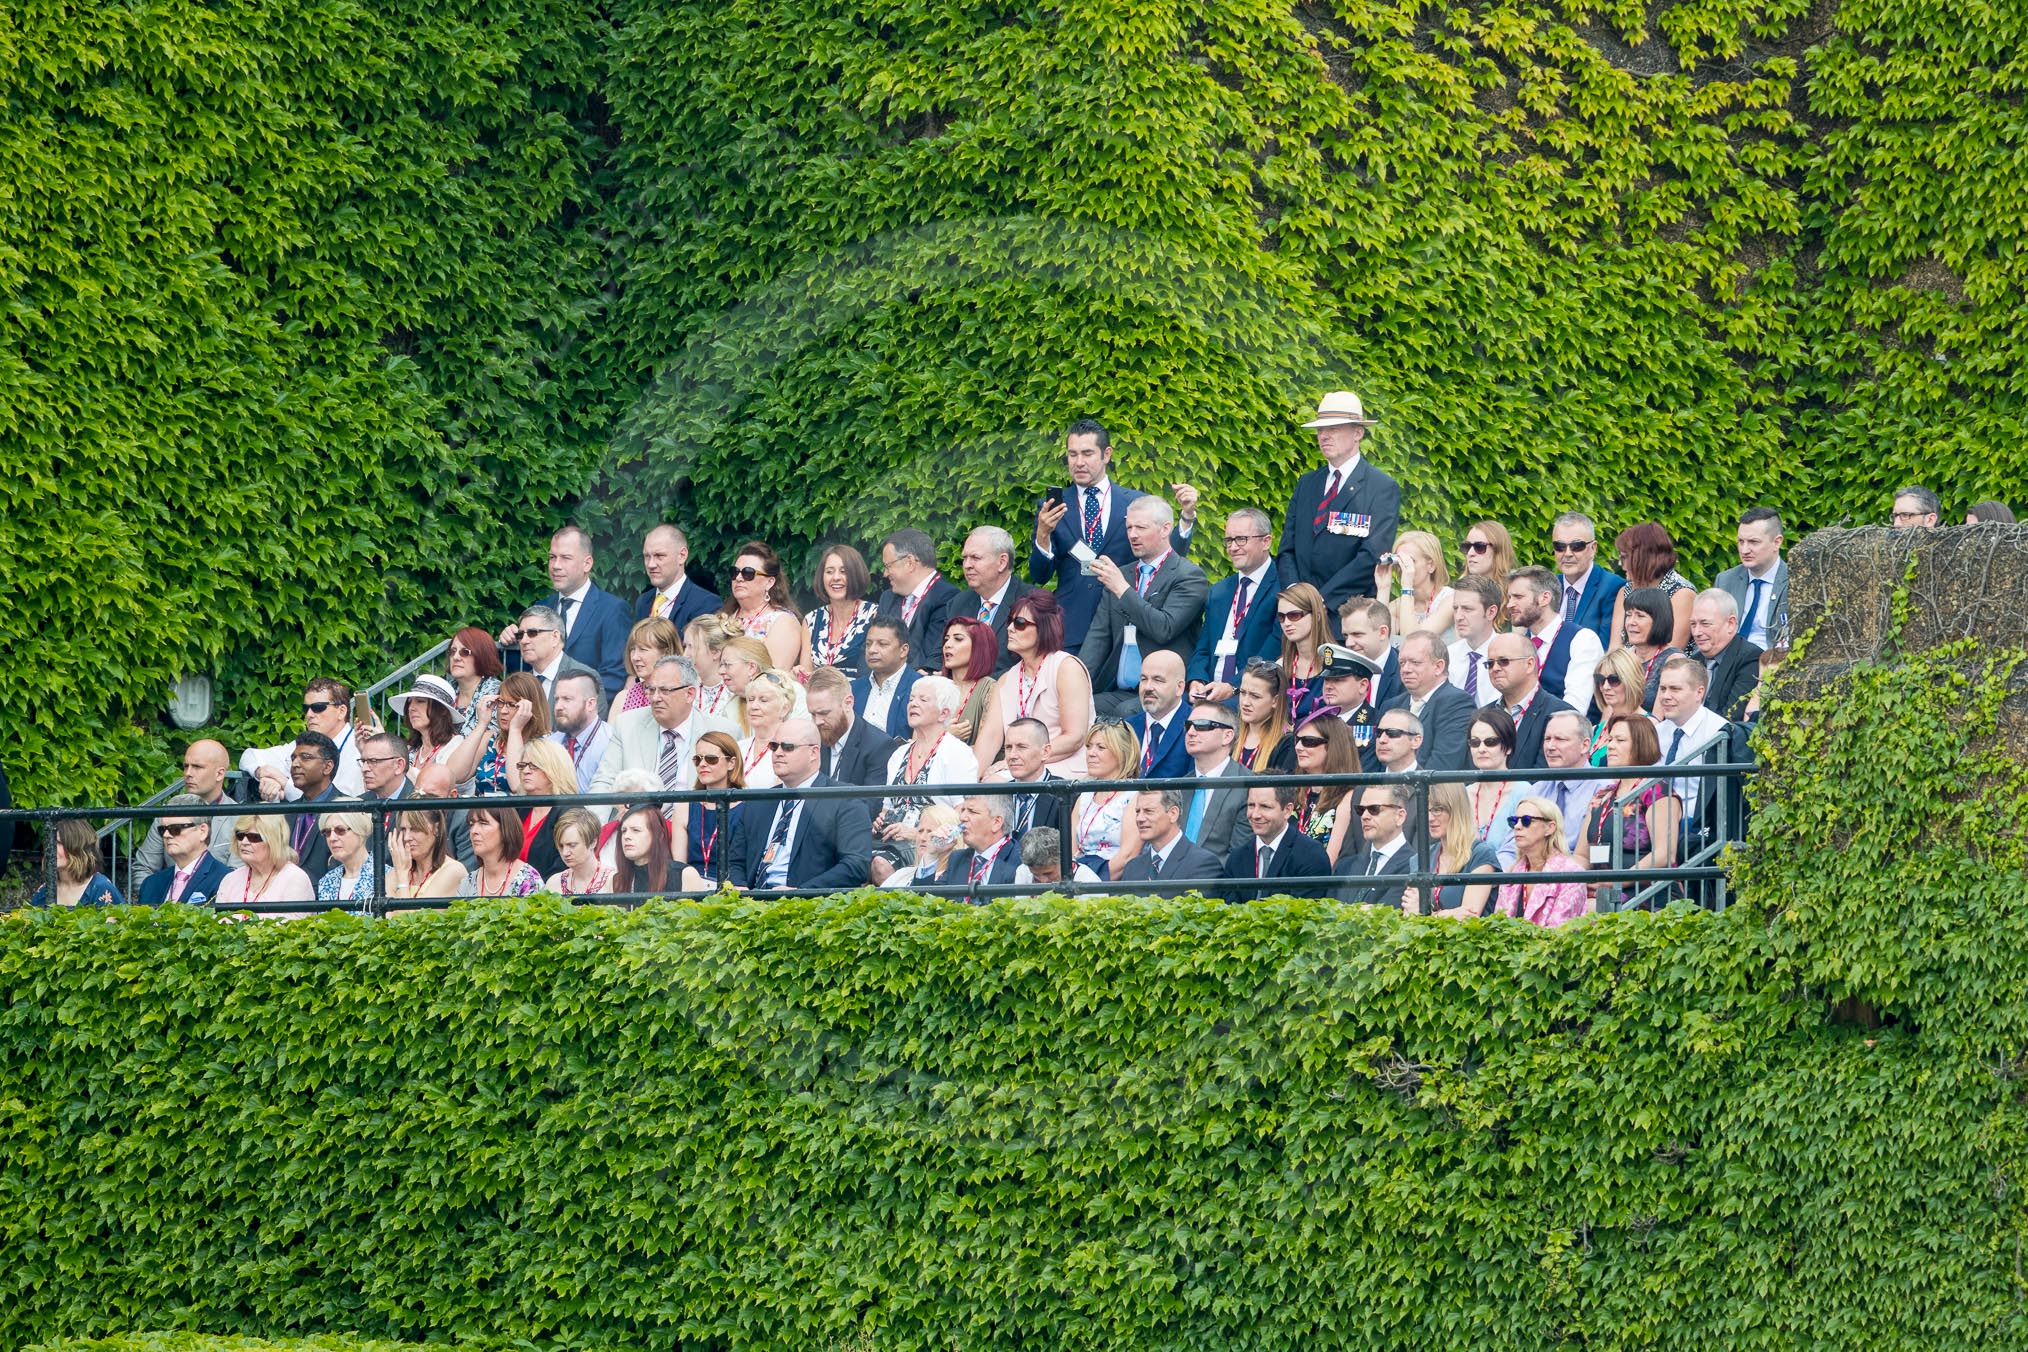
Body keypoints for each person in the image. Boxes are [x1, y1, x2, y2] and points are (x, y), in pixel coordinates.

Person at [1027, 416, 1193, 649]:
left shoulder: (1136, 502)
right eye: (1072, 454)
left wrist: (1187, 517)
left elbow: (1168, 557)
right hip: (1070, 626)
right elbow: (1039, 575)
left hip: (1124, 626)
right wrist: (1043, 535)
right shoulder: (1053, 506)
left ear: (1106, 454)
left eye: (1087, 453)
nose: (1079, 462)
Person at [1277, 391, 1401, 636]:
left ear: (1358, 432)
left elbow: (1370, 556)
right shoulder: (1307, 483)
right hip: (1298, 617)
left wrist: (1321, 600)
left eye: (1334, 428)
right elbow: (1287, 548)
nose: (1324, 435)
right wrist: (1297, 596)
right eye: (1321, 429)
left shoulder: (1381, 487)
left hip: (1347, 618)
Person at [1079, 495, 1208, 716]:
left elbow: (1164, 628)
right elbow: (1098, 637)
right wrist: (1075, 682)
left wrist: (1122, 588)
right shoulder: (1123, 574)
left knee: (1124, 714)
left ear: (1166, 529)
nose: (1133, 534)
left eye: (1140, 527)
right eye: (1129, 527)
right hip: (1119, 689)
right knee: (1079, 709)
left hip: (1163, 690)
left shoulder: (1189, 576)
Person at [727, 717, 875, 892]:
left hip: (808, 907)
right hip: (752, 903)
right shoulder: (758, 801)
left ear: (813, 753)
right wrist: (740, 889)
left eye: (788, 747)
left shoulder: (844, 799)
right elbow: (735, 861)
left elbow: (855, 865)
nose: (778, 753)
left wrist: (801, 892)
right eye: (774, 746)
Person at [969, 591, 1093, 778]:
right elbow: (990, 737)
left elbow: (1074, 737)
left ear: (1044, 628)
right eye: (1010, 621)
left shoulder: (1066, 667)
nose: (1010, 628)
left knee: (997, 783)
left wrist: (1017, 761)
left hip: (1063, 767)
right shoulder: (1006, 679)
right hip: (1018, 768)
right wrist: (969, 782)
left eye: (1020, 623)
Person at [500, 526, 632, 700]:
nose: (556, 566)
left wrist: (576, 708)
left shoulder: (612, 609)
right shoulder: (542, 607)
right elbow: (524, 670)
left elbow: (614, 676)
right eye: (552, 558)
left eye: (566, 558)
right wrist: (513, 641)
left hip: (585, 717)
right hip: (538, 715)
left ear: (587, 563)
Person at [869, 677, 980, 883]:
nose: (913, 704)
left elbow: (963, 817)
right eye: (911, 699)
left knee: (879, 864)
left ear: (944, 713)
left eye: (923, 699)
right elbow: (887, 807)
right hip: (889, 840)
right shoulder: (898, 753)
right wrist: (881, 821)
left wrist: (916, 833)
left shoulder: (956, 753)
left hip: (931, 844)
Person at [590, 655, 735, 813]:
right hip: (638, 828)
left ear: (690, 694)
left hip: (696, 830)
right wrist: (592, 832)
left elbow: (734, 795)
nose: (655, 698)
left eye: (665, 690)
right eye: (651, 689)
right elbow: (604, 783)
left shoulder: (722, 731)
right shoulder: (627, 725)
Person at [1584, 714, 1681, 911]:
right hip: (1602, 890)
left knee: (1585, 910)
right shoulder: (1602, 795)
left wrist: (1613, 882)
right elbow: (1581, 855)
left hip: (1646, 892)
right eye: (1610, 739)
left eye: (1620, 740)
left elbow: (1664, 855)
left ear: (1641, 745)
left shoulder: (1658, 791)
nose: (1610, 746)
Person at [1186, 508, 1280, 705]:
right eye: (1229, 540)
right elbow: (1203, 647)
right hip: (1210, 690)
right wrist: (1196, 680)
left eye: (1241, 539)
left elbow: (1274, 649)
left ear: (1266, 541)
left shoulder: (1282, 587)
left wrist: (1233, 686)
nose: (1233, 547)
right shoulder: (1219, 591)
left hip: (1250, 694)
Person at [1505, 566, 1604, 716]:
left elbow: (1574, 709)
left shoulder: (1582, 640)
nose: (1509, 604)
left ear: (1544, 598)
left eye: (1518, 597)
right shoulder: (1520, 644)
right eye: (1510, 598)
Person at [246, 679, 364, 801]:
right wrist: (263, 774)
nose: (309, 714)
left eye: (318, 707)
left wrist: (284, 783)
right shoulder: (304, 745)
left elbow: (338, 799)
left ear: (341, 711)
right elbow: (249, 756)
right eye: (305, 708)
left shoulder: (360, 749)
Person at [133, 739, 237, 874]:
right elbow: (143, 867)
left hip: (218, 894)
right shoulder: (168, 814)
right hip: (169, 893)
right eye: (186, 766)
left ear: (220, 774)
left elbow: (238, 876)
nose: (188, 773)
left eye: (197, 767)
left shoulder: (240, 818)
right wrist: (153, 894)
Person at [1221, 783, 1333, 903]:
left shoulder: (1311, 855)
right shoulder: (1237, 858)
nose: (1255, 815)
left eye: (1265, 806)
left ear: (1287, 810)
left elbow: (1304, 915)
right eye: (1251, 805)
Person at [442, 671, 548, 797]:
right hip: (482, 814)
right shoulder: (491, 738)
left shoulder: (543, 744)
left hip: (516, 815)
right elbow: (453, 774)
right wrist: (481, 724)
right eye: (501, 703)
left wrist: (515, 730)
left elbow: (517, 786)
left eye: (512, 705)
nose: (503, 711)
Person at [1652, 655, 1733, 818]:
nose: (1666, 696)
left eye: (1675, 689)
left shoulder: (1719, 733)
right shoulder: (1656, 732)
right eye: (1662, 689)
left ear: (1699, 692)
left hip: (1697, 824)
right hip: (1655, 819)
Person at [1405, 782, 1499, 917]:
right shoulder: (1420, 859)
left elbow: (1469, 918)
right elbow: (1409, 915)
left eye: (1437, 809)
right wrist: (1449, 915)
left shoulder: (1481, 854)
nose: (1430, 818)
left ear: (1456, 810)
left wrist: (1427, 915)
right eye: (1426, 809)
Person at [950, 527, 1035, 675]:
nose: (967, 565)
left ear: (1002, 562)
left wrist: (980, 687)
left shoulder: (1030, 602)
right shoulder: (959, 602)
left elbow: (1033, 663)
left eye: (975, 558)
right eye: (965, 558)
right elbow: (940, 653)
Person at [1383, 631, 1474, 771]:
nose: (1405, 669)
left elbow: (1444, 765)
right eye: (1402, 663)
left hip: (1429, 790)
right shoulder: (1391, 706)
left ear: (1438, 667)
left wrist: (1399, 791)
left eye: (1415, 662)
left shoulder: (1457, 703)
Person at [1485, 631, 1574, 771]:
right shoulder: (1482, 715)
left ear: (1530, 664)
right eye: (1490, 663)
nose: (1495, 668)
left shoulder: (1561, 715)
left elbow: (1545, 780)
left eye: (1504, 661)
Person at [1494, 799, 1589, 927]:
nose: (1517, 826)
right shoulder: (1511, 875)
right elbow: (1498, 927)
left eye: (1527, 820)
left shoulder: (1571, 875)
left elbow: (1558, 934)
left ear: (1550, 828)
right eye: (1514, 821)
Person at [877, 528, 962, 670]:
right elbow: (869, 648)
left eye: (888, 566)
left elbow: (929, 657)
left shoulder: (947, 598)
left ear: (909, 562)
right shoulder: (887, 598)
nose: (885, 574)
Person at [806, 666, 903, 786]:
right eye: (813, 714)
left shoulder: (879, 747)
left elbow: (870, 802)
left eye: (824, 713)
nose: (817, 721)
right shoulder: (811, 741)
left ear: (848, 703)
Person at [1071, 720, 1144, 878]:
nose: (1091, 753)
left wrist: (1092, 884)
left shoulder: (1134, 796)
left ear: (1121, 753)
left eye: (1101, 747)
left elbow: (1128, 856)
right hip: (1079, 879)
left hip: (1113, 883)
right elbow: (1070, 852)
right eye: (1089, 746)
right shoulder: (1084, 796)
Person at [1117, 790, 1225, 896]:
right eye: (1137, 812)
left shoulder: (1203, 864)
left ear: (1173, 814)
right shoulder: (1133, 868)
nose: (1139, 818)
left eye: (1148, 811)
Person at [1609, 523, 1695, 649]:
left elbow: (1671, 651)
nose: (1620, 563)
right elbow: (1614, 647)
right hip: (1623, 666)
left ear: (1642, 557)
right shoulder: (1625, 591)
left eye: (1624, 557)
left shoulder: (1682, 593)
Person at [1288, 712, 1359, 865]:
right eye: (1297, 740)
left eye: (1309, 741)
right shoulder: (1295, 792)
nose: (1298, 747)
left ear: (1333, 746)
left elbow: (1329, 863)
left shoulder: (1348, 798)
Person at [721, 540, 803, 670]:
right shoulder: (724, 616)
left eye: (748, 573)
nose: (738, 578)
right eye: (735, 572)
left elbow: (773, 678)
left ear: (770, 582)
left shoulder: (783, 622)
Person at [1464, 707, 1531, 867]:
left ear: (1508, 747)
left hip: (1507, 879)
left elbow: (1519, 852)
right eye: (1475, 742)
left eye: (1491, 742)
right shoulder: (1464, 793)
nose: (1481, 749)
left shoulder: (1524, 792)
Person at [137, 795, 234, 906]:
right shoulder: (151, 884)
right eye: (162, 830)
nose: (166, 835)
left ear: (202, 831)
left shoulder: (225, 880)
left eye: (175, 829)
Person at [679, 730, 746, 889]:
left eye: (711, 759)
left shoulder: (748, 808)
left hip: (733, 890)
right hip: (691, 890)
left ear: (731, 763)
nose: (702, 764)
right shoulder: (684, 807)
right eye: (697, 759)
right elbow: (679, 866)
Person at [1714, 507, 1788, 651]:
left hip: (1772, 664)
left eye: (1754, 542)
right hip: (1728, 663)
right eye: (1741, 541)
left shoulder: (1795, 582)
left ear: (1777, 542)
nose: (1744, 550)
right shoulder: (1725, 580)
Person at [1179, 701, 1246, 857]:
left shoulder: (1248, 785)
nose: (1191, 732)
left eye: (1202, 725)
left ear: (1227, 736)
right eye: (1188, 725)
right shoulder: (1179, 787)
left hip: (1218, 878)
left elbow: (1240, 856)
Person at [804, 544, 880, 679]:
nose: (836, 577)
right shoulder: (811, 620)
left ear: (856, 575)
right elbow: (805, 673)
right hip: (818, 695)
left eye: (843, 571)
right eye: (829, 571)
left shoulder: (875, 615)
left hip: (859, 695)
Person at [1548, 512, 1625, 646]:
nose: (1567, 554)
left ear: (1593, 548)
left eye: (1577, 546)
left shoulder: (1613, 587)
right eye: (1560, 547)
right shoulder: (1548, 586)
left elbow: (1605, 650)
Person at [1333, 783, 1415, 908]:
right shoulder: (1345, 867)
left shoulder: (1414, 866)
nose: (1364, 816)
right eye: (1360, 810)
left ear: (1400, 816)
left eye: (1374, 809)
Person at [513, 604, 603, 713]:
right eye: (520, 635)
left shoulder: (585, 677)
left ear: (555, 637)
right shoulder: (522, 683)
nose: (523, 641)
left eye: (532, 633)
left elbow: (592, 726)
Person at [1690, 589, 1763, 720]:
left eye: (1705, 624)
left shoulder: (1750, 658)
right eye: (1693, 624)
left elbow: (1731, 717)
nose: (1696, 632)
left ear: (1730, 624)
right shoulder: (1694, 660)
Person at [215, 814, 315, 909]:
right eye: (240, 836)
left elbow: (293, 925)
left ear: (273, 841)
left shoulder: (295, 879)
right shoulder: (230, 880)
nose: (244, 842)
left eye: (254, 837)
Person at [1533, 710, 1597, 854]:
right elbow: (1511, 847)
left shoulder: (1602, 791)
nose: (1550, 746)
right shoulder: (1536, 791)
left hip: (1578, 872)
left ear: (1585, 745)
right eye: (1547, 739)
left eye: (1560, 739)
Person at [635, 524, 719, 629]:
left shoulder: (705, 604)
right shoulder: (643, 601)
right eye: (647, 556)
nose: (651, 564)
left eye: (659, 556)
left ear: (682, 556)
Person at [515, 739, 578, 879]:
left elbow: (563, 866)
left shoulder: (572, 812)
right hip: (512, 895)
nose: (526, 771)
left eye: (534, 766)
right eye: (523, 765)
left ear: (554, 769)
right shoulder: (518, 808)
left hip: (549, 895)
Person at [1315, 645, 1382, 772]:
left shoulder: (1377, 723)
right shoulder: (1314, 720)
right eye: (1326, 680)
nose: (1328, 686)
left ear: (1362, 686)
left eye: (1338, 680)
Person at [1380, 529, 1455, 643]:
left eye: (1410, 561)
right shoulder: (1400, 604)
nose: (1402, 568)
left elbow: (1413, 641)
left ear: (1431, 565)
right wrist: (1383, 587)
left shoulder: (1451, 599)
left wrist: (1407, 588)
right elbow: (1376, 638)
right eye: (1398, 561)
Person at [286, 732, 343, 881]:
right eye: (293, 758)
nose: (295, 764)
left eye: (305, 758)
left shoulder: (346, 809)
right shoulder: (285, 812)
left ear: (327, 766)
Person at [851, 617, 919, 739]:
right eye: (868, 644)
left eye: (882, 644)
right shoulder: (853, 689)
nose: (872, 650)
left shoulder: (920, 687)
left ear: (903, 650)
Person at [1125, 650, 1191, 778]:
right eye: (1144, 679)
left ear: (1180, 688)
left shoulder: (1195, 728)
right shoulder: (1127, 728)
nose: (1148, 687)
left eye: (1158, 680)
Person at [942, 795, 1022, 899]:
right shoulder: (957, 859)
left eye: (972, 811)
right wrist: (931, 855)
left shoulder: (1019, 859)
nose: (962, 817)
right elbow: (926, 903)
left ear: (996, 822)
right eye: (962, 810)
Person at [1000, 717, 1068, 839]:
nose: (1012, 755)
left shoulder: (1064, 794)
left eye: (1022, 747)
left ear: (1045, 752)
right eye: (1008, 747)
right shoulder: (998, 796)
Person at [1273, 582, 1333, 717]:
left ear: (1317, 615)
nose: (1287, 623)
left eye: (1294, 615)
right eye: (1281, 617)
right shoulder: (1280, 666)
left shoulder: (1337, 664)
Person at [939, 617, 1000, 743]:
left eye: (958, 639)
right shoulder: (934, 687)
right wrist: (945, 737)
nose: (948, 645)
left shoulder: (991, 689)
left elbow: (989, 745)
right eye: (946, 639)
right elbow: (916, 742)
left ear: (979, 647)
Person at [1619, 588, 1683, 710]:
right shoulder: (1624, 657)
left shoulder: (1673, 660)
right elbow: (1609, 711)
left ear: (1659, 621)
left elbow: (1658, 718)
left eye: (1640, 616)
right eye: (1628, 615)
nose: (1631, 622)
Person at [462, 805, 544, 898]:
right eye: (471, 824)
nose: (474, 831)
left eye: (483, 823)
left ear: (505, 829)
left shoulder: (529, 880)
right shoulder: (468, 881)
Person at [547, 671, 611, 788]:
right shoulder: (551, 744)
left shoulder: (611, 743)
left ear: (590, 704)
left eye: (567, 699)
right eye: (557, 699)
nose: (558, 707)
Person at [1446, 575, 1503, 707]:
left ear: (1491, 612)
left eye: (1467, 609)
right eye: (1456, 608)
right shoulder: (1448, 655)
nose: (1458, 617)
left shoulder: (1509, 657)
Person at [385, 809, 467, 900]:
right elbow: (382, 914)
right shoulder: (396, 873)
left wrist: (402, 879)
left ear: (436, 829)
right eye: (403, 829)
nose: (407, 837)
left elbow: (410, 914)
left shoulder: (453, 870)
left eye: (415, 829)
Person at [34, 819, 120, 907]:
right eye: (49, 843)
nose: (51, 848)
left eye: (59, 843)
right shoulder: (44, 891)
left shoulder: (101, 888)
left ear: (77, 849)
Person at [388, 675, 464, 774]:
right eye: (409, 702)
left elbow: (436, 784)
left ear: (441, 710)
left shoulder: (455, 746)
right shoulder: (411, 750)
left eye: (420, 701)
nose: (411, 708)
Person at [1232, 660, 1293, 771]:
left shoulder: (1287, 744)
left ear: (1276, 701)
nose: (1245, 702)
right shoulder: (1230, 737)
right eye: (1242, 692)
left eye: (1255, 696)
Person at [1339, 599, 1400, 710]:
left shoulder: (1405, 673)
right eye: (1345, 636)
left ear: (1382, 632)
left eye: (1357, 634)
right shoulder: (1340, 670)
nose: (1349, 643)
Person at [615, 616, 683, 715]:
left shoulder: (684, 696)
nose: (635, 657)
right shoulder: (623, 698)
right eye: (632, 649)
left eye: (643, 649)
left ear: (666, 652)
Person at [446, 627, 504, 737]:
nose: (456, 657)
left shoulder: (498, 694)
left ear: (481, 655)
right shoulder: (446, 691)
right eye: (453, 651)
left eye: (465, 652)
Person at [1459, 520, 1519, 627]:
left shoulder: (1516, 588)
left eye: (1480, 547)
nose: (1470, 553)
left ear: (1498, 550)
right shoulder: (1460, 591)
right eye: (1467, 547)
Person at [1586, 650, 1646, 754]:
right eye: (1600, 679)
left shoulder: (1650, 726)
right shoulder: (1595, 730)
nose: (1605, 687)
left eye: (1613, 680)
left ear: (1631, 680)